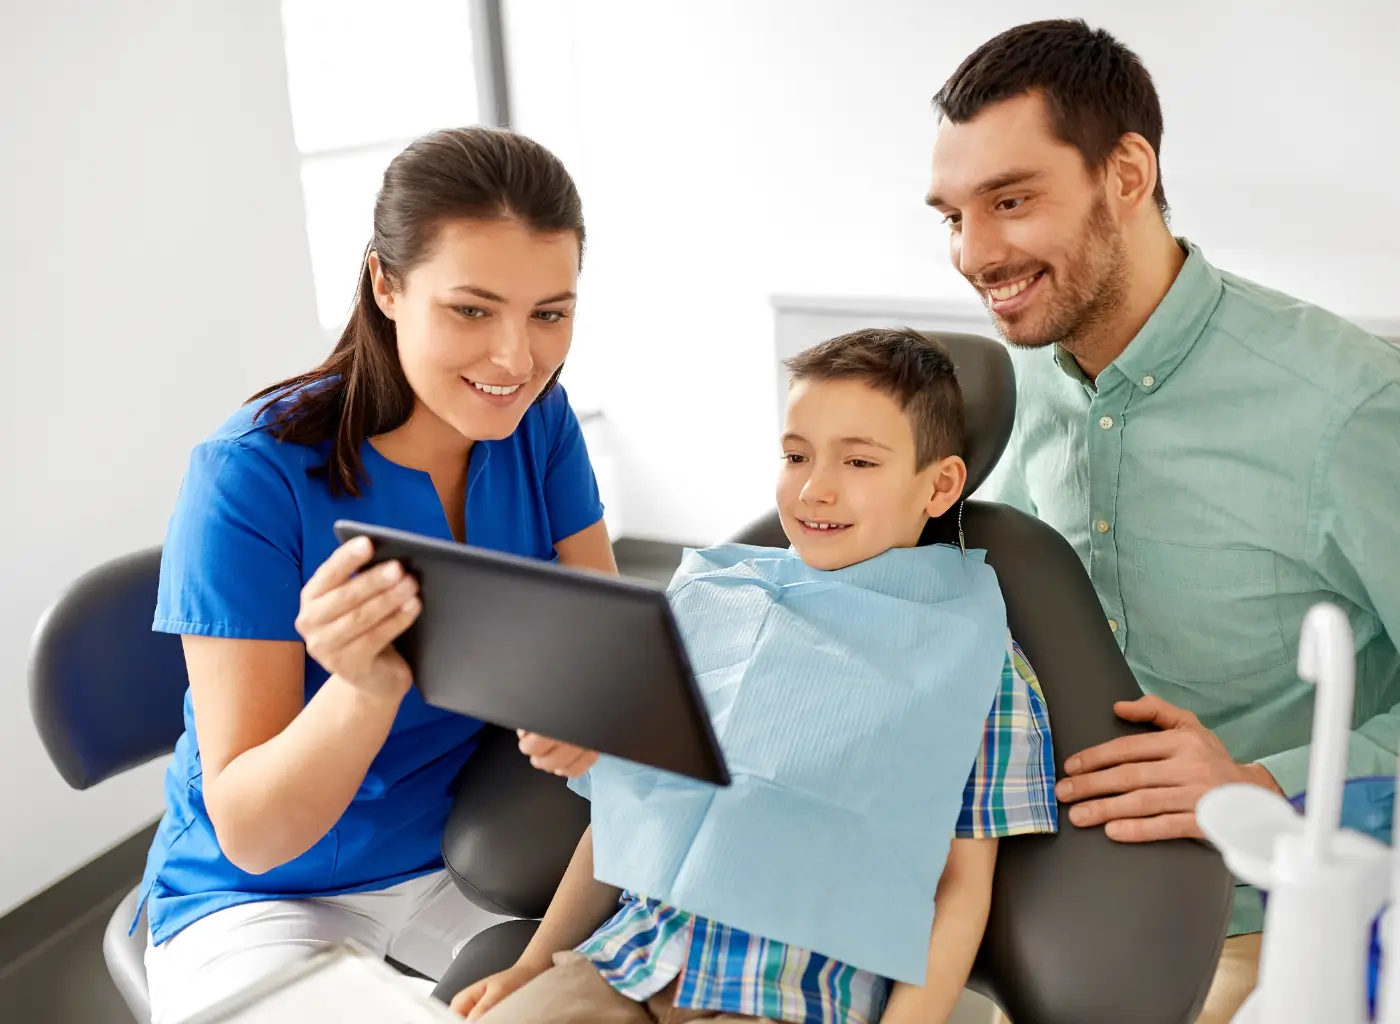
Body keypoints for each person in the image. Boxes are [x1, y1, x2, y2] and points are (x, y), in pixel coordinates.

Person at [924, 18, 1400, 1023]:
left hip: (1258, 931)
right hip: (1024, 900)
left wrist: (1257, 786)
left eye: (1009, 201)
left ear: (1127, 175)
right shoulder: (999, 396)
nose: (972, 254)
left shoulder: (1347, 407)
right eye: (951, 216)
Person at [136, 127, 614, 1024]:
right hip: (260, 895)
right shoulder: (251, 475)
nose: (517, 359)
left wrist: (584, 709)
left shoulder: (539, 427)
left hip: (463, 851)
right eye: (472, 310)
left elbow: (597, 657)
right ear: (385, 284)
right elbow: (254, 835)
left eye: (549, 313)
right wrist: (361, 692)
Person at [448, 328, 1059, 1024]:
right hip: (624, 963)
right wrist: (533, 965)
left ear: (940, 484)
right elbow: (626, 816)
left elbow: (959, 887)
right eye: (795, 455)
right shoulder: (712, 602)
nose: (815, 488)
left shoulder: (979, 665)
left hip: (789, 999)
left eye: (859, 462)